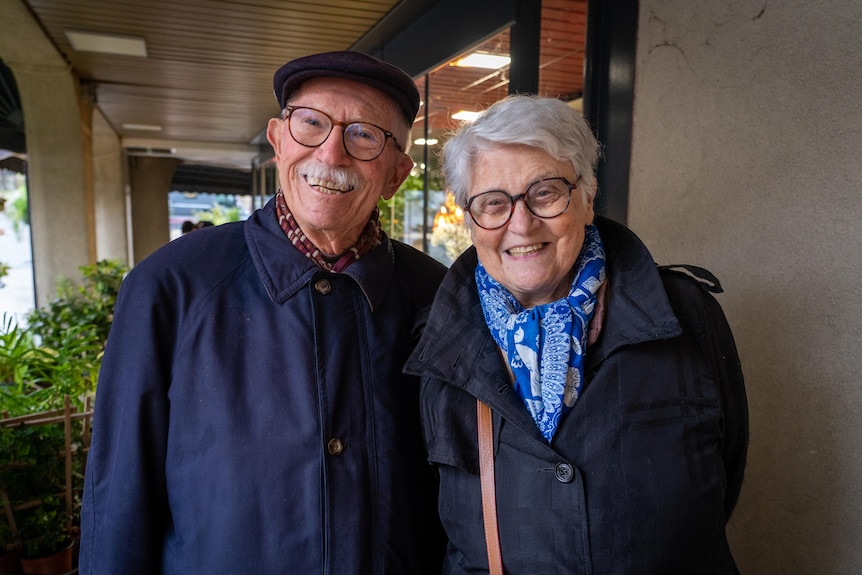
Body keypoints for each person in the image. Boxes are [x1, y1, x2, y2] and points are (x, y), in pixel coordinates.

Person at [79, 51, 447, 574]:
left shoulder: (435, 295)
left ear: (397, 174)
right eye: (312, 123)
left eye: (365, 135)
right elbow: (118, 498)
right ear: (278, 140)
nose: (332, 153)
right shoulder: (172, 285)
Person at [405, 95, 748, 574]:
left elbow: (725, 475)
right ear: (470, 219)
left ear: (587, 197)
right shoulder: (439, 344)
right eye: (493, 203)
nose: (520, 224)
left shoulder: (686, 316)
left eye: (545, 192)